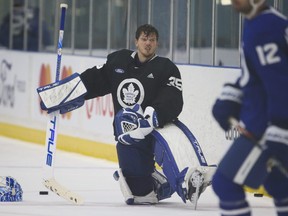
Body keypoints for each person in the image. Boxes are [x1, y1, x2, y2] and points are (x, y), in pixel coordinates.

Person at [37, 24, 215, 205]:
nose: (148, 44)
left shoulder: (166, 68)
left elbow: (173, 98)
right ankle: (161, 184)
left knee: (171, 140)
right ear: (136, 41)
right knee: (141, 196)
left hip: (157, 127)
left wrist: (154, 115)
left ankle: (188, 180)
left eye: (152, 40)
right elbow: (92, 81)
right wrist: (60, 94)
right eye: (144, 39)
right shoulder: (118, 62)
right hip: (130, 134)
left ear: (157, 44)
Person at [212, 0, 288, 215]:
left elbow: (280, 82)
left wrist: (281, 128)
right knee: (279, 184)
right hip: (266, 121)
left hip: (268, 125)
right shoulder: (261, 23)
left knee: (225, 183)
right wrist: (231, 98)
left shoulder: (266, 28)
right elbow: (255, 75)